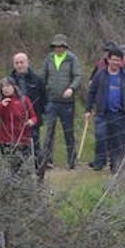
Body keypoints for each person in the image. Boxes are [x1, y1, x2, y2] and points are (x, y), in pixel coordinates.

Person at [85, 47, 125, 173]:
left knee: (118, 141)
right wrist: (88, 109)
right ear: (108, 60)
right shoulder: (100, 75)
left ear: (122, 62)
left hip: (120, 115)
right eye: (113, 60)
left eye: (118, 61)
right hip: (102, 113)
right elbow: (91, 92)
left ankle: (116, 165)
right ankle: (99, 162)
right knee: (101, 137)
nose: (116, 63)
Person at [38, 35, 81, 170]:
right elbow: (43, 77)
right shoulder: (49, 59)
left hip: (67, 102)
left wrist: (71, 88)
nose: (58, 49)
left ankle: (71, 160)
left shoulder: (72, 59)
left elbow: (77, 76)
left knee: (68, 131)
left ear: (65, 47)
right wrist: (41, 93)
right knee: (49, 130)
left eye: (60, 46)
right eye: (56, 46)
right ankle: (47, 160)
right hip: (51, 100)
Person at [0, 77, 38, 173]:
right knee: (10, 168)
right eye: (3, 87)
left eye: (8, 86)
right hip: (6, 141)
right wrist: (0, 107)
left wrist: (31, 122)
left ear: (14, 87)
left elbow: (34, 117)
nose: (5, 89)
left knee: (23, 168)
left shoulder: (24, 100)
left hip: (23, 140)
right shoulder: (0, 102)